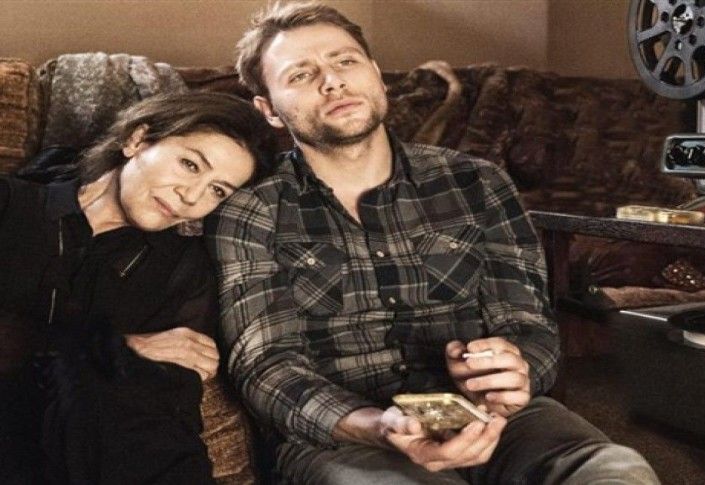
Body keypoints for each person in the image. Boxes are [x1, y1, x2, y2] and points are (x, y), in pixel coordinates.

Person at [207, 2, 660, 483]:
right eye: (301, 75)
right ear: (269, 111)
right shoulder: (251, 210)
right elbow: (266, 367)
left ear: (376, 75)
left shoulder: (478, 182)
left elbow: (530, 326)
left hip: (496, 420)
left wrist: (513, 372)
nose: (332, 81)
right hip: (345, 438)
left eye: (345, 61)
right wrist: (378, 427)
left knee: (618, 470)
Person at [0, 91, 266, 483]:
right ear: (136, 140)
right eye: (190, 164)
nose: (192, 197)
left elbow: (163, 417)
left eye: (217, 190)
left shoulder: (183, 272)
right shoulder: (12, 205)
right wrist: (117, 348)